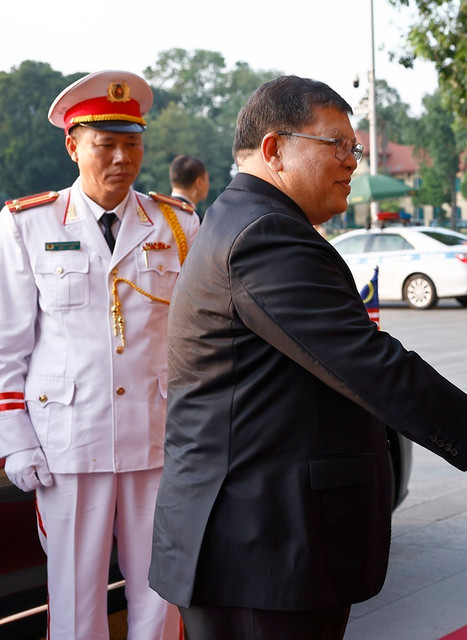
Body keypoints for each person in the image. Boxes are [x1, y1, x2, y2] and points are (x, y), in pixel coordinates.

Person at [147, 75, 467, 640]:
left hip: (260, 544)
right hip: (260, 550)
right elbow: (367, 362)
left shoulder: (246, 220)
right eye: (336, 144)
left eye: (355, 147)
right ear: (274, 150)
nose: (352, 161)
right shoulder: (266, 234)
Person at [0, 70, 199, 640]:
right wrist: (14, 439)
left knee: (160, 596)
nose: (120, 158)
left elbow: (195, 338)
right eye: (104, 144)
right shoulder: (26, 225)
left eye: (131, 143)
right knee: (74, 597)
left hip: (157, 435)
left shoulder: (177, 224)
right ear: (73, 145)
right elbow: (7, 345)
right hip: (67, 441)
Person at [168, 153, 210, 219]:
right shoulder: (194, 220)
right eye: (207, 179)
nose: (208, 185)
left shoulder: (158, 211)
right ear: (199, 183)